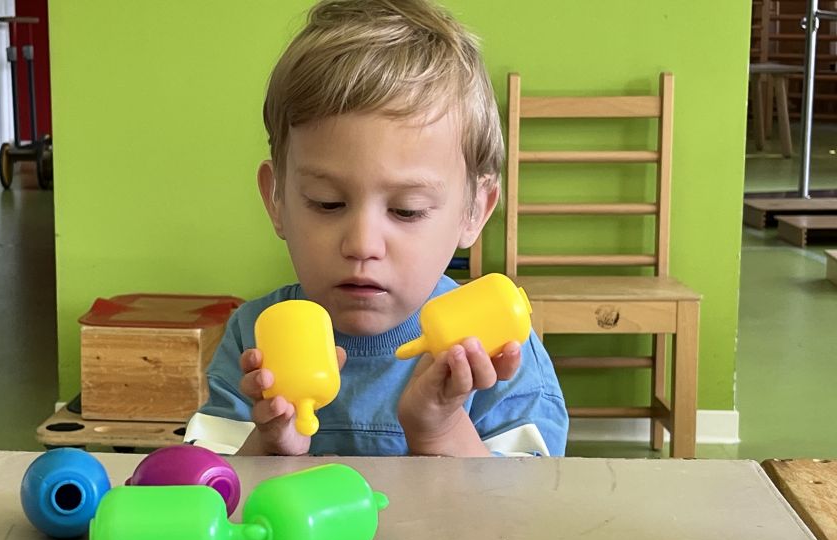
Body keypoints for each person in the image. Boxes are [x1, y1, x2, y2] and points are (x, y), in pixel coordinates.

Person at [184, 0, 567, 457]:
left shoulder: (498, 350)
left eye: (407, 210)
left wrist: (441, 430)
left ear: (474, 212)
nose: (362, 244)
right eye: (327, 202)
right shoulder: (254, 338)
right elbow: (210, 488)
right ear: (277, 199)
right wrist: (269, 446)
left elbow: (524, 500)